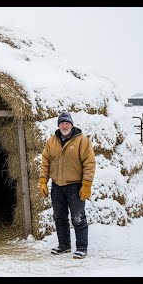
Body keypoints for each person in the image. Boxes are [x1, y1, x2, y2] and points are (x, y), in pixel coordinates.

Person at [38, 111, 96, 259]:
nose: (64, 126)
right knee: (59, 217)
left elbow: (89, 163)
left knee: (78, 217)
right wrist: (43, 180)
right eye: (62, 123)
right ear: (58, 125)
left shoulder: (82, 141)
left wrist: (87, 184)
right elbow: (45, 162)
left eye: (67, 123)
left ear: (72, 124)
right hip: (57, 185)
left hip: (75, 186)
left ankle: (82, 247)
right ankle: (64, 245)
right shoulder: (51, 141)